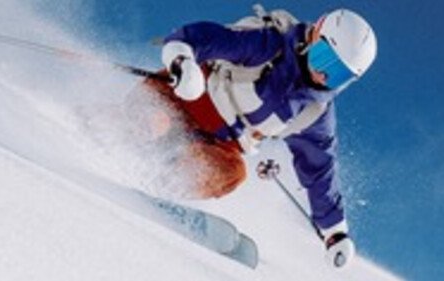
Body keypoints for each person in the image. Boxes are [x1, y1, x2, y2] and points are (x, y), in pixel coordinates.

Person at [144, 7, 377, 269]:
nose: (323, 75)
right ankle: (113, 136)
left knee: (231, 173)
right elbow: (199, 38)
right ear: (315, 34)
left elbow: (319, 170)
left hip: (214, 142)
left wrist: (335, 232)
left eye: (338, 74)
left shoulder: (314, 112)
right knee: (155, 122)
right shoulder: (270, 45)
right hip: (181, 100)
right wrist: (182, 63)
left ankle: (151, 187)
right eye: (324, 58)